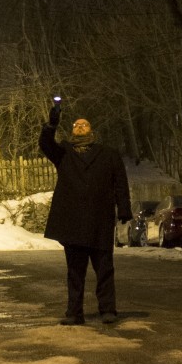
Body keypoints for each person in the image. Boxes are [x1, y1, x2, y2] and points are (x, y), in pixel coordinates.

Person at [39, 102, 132, 325]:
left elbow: (120, 183)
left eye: (84, 124)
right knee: (75, 271)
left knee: (104, 268)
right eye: (76, 124)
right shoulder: (63, 153)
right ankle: (74, 313)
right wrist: (51, 125)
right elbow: (45, 144)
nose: (80, 126)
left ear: (91, 130)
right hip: (72, 221)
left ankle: (108, 310)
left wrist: (124, 209)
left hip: (100, 220)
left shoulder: (108, 154)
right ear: (72, 130)